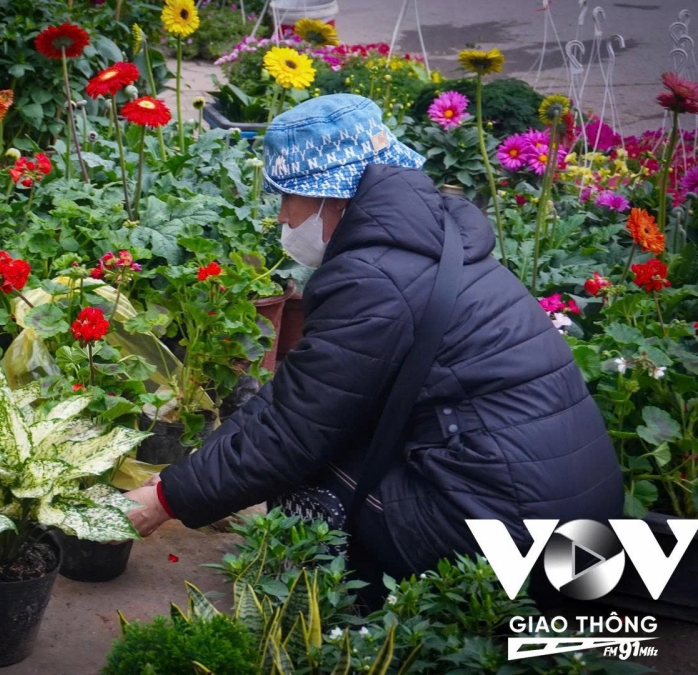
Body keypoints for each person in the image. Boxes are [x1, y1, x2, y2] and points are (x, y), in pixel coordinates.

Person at [124, 94, 622, 590]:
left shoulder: (375, 279)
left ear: (333, 196)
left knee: (305, 467)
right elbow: (303, 394)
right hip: (575, 521)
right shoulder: (431, 238)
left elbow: (292, 431)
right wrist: (185, 477)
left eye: (287, 197)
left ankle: (347, 608)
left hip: (511, 538)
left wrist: (167, 501)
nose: (281, 216)